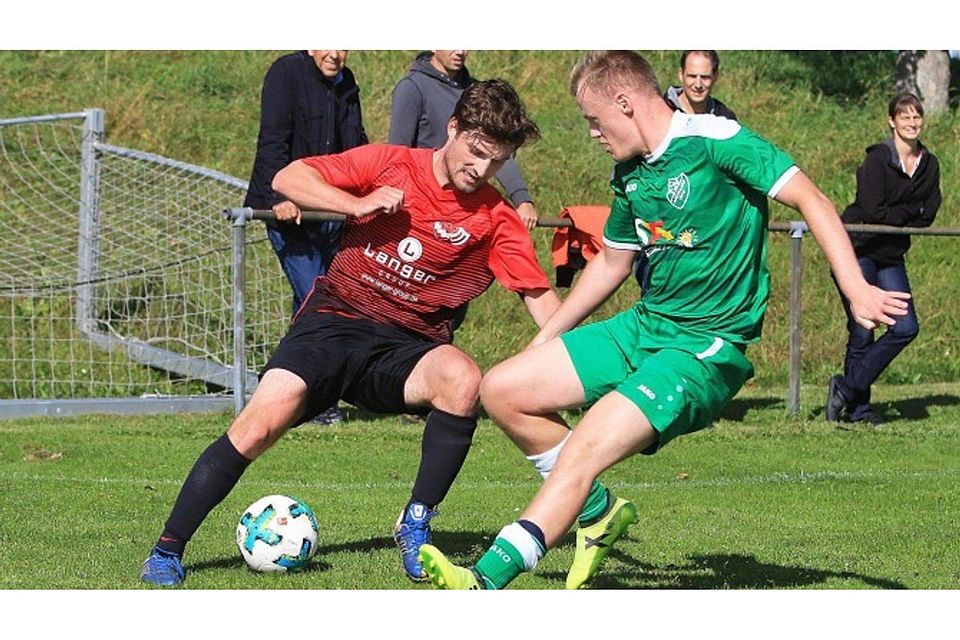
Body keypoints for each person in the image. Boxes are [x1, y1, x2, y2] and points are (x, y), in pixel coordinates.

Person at [417, 50, 910, 591]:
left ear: (624, 103)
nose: (593, 133)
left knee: (585, 445)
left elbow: (810, 198)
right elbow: (611, 261)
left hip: (704, 348)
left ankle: (484, 581)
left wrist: (856, 286)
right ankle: (597, 512)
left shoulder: (717, 141)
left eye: (593, 120)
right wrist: (544, 338)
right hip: (646, 326)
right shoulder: (631, 173)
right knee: (503, 387)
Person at [139, 79, 559, 587]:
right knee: (257, 426)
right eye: (475, 152)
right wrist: (353, 204)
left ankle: (416, 523)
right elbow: (290, 177)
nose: (481, 169)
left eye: (497, 161)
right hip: (335, 320)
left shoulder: (495, 218)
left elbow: (542, 302)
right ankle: (167, 549)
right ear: (453, 129)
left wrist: (579, 363)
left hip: (409, 346)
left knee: (463, 377)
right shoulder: (390, 163)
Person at [244, 49, 368, 426]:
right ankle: (311, 397)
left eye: (343, 44)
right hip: (292, 216)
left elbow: (356, 146)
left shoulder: (346, 82)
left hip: (331, 212)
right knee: (316, 300)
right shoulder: (285, 73)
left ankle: (285, 394)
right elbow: (273, 140)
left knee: (322, 303)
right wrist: (278, 197)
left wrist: (365, 195)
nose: (335, 53)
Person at [826, 92, 941, 425]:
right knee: (863, 330)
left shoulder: (929, 165)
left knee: (906, 327)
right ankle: (858, 411)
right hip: (858, 250)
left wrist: (901, 214)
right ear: (892, 121)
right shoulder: (877, 159)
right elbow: (873, 210)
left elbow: (929, 214)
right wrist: (909, 210)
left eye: (916, 116)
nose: (911, 122)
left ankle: (845, 388)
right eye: (904, 116)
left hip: (891, 254)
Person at [389, 50, 541, 230]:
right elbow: (397, 153)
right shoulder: (412, 88)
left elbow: (497, 149)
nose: (461, 51)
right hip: (421, 205)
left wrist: (522, 199)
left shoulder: (477, 92)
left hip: (466, 209)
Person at [663, 50, 737, 120]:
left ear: (715, 77)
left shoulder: (725, 119)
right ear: (681, 75)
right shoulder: (660, 111)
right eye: (692, 76)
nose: (698, 85)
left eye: (705, 77)